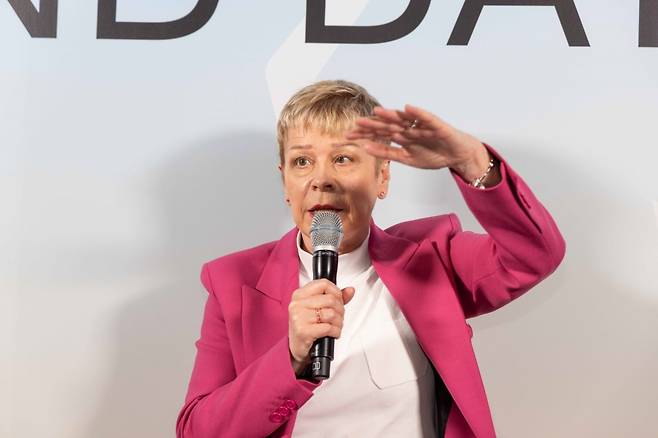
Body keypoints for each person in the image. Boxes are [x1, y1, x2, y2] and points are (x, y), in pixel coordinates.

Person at [175, 79, 566, 438]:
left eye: (343, 159)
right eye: (302, 161)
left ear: (382, 177)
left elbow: (535, 255)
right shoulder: (233, 282)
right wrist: (291, 357)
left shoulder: (432, 258)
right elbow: (197, 432)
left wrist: (472, 161)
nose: (321, 179)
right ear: (286, 183)